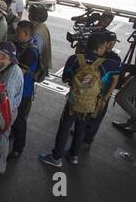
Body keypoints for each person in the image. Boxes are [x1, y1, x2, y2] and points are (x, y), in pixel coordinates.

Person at [39, 33, 121, 167]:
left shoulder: (74, 59)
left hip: (73, 101)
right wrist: (105, 98)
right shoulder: (108, 64)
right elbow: (116, 78)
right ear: (100, 48)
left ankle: (56, 158)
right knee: (81, 127)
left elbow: (66, 79)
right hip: (91, 104)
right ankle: (73, 155)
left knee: (65, 127)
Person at [79, 31, 121, 146]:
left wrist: (106, 98)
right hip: (89, 92)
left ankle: (88, 138)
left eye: (113, 43)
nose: (111, 45)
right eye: (109, 43)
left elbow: (115, 82)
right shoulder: (95, 53)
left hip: (103, 93)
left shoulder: (115, 58)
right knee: (84, 114)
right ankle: (80, 134)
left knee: (96, 118)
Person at [0, 42, 24, 173]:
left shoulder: (11, 76)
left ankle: (0, 166)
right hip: (7, 110)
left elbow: (6, 104)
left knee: (1, 137)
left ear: (4, 57)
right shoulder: (9, 68)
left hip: (6, 112)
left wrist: (0, 119)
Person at [9, 21, 39, 159]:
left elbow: (19, 72)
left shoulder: (31, 51)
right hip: (18, 89)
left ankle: (18, 147)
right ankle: (13, 135)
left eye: (18, 32)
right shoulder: (22, 45)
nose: (16, 34)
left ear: (26, 34)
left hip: (24, 91)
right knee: (14, 117)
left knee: (20, 119)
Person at [29, 4, 52, 78]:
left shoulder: (36, 32)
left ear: (32, 15)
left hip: (34, 68)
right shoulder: (42, 26)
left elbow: (35, 53)